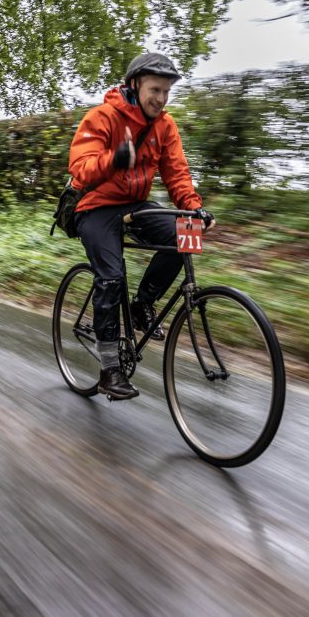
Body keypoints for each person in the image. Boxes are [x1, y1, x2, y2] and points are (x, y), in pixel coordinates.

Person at [69, 52, 214, 400]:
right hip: (95, 206)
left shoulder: (165, 126)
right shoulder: (102, 116)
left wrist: (195, 208)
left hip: (134, 204)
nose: (161, 99)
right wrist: (114, 158)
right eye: (155, 90)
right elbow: (80, 168)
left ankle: (141, 305)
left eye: (166, 92)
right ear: (135, 85)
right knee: (112, 277)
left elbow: (176, 173)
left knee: (187, 234)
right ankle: (109, 371)